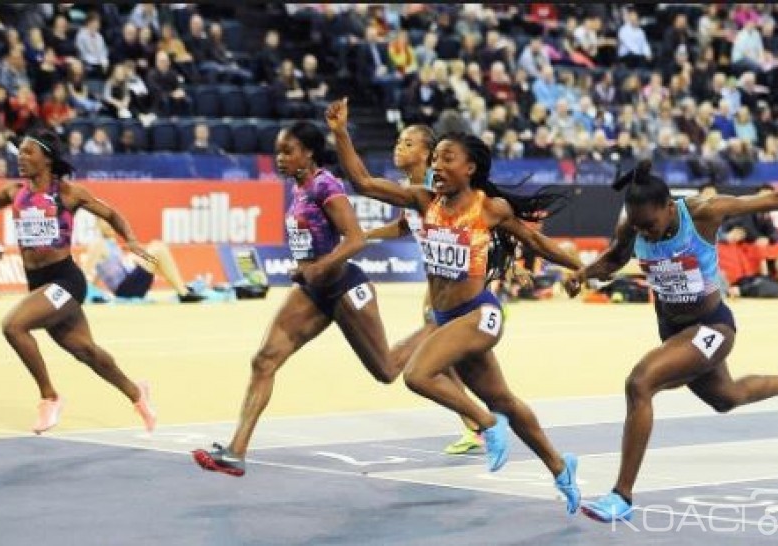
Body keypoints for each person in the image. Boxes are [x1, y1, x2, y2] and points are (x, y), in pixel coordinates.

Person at [327, 98, 585, 515]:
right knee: (504, 399)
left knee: (416, 374)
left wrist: (581, 268)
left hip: (480, 314)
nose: (439, 165)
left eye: (448, 158)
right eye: (437, 158)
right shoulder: (423, 201)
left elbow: (536, 242)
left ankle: (484, 425)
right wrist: (340, 132)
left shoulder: (489, 208)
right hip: (448, 318)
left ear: (470, 169)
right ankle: (560, 467)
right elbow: (363, 182)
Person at [574, 155, 778, 523]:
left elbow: (776, 201)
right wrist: (584, 273)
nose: (644, 233)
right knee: (727, 397)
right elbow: (615, 258)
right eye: (638, 227)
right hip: (675, 332)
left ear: (668, 207)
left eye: (649, 224)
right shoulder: (634, 222)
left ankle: (622, 496)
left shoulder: (704, 213)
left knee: (640, 383)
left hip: (713, 327)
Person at [192, 121, 409, 476]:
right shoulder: (299, 188)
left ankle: (433, 330)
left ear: (307, 153)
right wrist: (304, 270)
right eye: (277, 151)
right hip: (312, 292)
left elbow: (354, 240)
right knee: (264, 360)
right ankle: (235, 451)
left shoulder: (327, 185)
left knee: (386, 370)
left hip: (344, 289)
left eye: (287, 151)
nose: (280, 158)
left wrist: (317, 267)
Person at [0, 131, 156, 435]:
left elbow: (111, 214)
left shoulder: (69, 194)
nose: (21, 157)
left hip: (65, 280)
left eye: (28, 152)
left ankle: (49, 397)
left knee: (13, 326)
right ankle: (137, 393)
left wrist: (130, 239)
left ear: (48, 158)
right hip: (40, 284)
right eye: (19, 152)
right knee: (87, 352)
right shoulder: (14, 192)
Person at [359, 123, 485, 455]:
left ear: (427, 154)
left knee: (429, 360)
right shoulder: (412, 190)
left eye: (408, 143)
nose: (398, 147)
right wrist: (367, 235)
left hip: (458, 291)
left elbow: (478, 223)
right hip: (435, 288)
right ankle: (476, 424)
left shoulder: (437, 190)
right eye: (398, 141)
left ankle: (483, 423)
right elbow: (406, 225)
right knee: (448, 361)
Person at [80, 218, 205, 303]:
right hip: (125, 290)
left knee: (157, 251)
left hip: (129, 285)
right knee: (157, 247)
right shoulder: (97, 244)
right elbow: (84, 272)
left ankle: (182, 289)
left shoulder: (112, 244)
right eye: (104, 221)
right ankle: (183, 291)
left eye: (111, 221)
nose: (109, 224)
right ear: (97, 225)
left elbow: (100, 272)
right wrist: (90, 295)